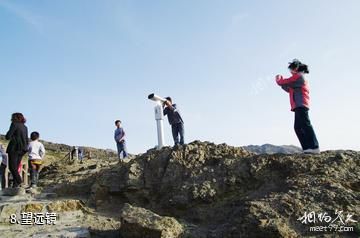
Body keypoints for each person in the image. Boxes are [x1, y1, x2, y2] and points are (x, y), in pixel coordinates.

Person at [275, 59, 320, 154]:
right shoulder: (296, 79)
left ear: (295, 68)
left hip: (301, 104)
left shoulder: (299, 77)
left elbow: (284, 82)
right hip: (297, 105)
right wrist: (281, 83)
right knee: (298, 127)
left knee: (305, 125)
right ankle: (307, 148)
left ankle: (314, 147)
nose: (290, 72)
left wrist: (279, 79)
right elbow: (288, 88)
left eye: (291, 69)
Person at [5, 113, 29, 188]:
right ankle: (15, 185)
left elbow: (8, 136)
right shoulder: (25, 127)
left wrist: (9, 135)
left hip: (14, 148)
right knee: (16, 167)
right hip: (23, 149)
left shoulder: (14, 124)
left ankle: (20, 181)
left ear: (14, 118)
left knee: (12, 167)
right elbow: (26, 138)